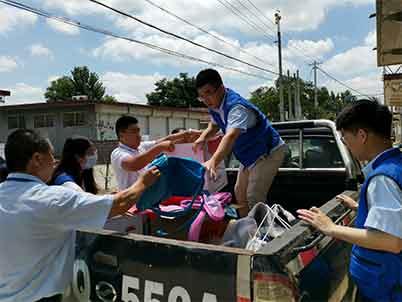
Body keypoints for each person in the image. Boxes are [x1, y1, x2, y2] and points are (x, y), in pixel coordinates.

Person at [0, 129, 159, 302]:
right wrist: (143, 182)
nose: (54, 161)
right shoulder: (52, 199)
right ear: (37, 159)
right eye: (51, 156)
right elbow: (119, 204)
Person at [297, 100, 402, 301]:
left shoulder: (383, 179)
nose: (346, 144)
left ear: (362, 135)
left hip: (384, 289)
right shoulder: (396, 165)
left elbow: (392, 241)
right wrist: (362, 207)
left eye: (345, 138)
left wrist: (330, 228)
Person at [193, 68, 286, 211]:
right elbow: (214, 125)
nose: (205, 100)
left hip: (269, 151)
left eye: (208, 93)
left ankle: (261, 232)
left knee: (254, 196)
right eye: (201, 96)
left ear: (221, 88)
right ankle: (247, 229)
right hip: (250, 156)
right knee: (239, 192)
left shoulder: (236, 107)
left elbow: (230, 136)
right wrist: (203, 137)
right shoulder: (215, 105)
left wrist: (213, 161)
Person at [111, 115, 200, 191]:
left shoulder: (141, 147)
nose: (139, 135)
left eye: (138, 131)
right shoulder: (118, 153)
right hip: (131, 201)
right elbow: (134, 164)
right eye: (134, 131)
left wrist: (188, 133)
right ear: (121, 134)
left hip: (146, 196)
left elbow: (165, 139)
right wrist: (160, 147)